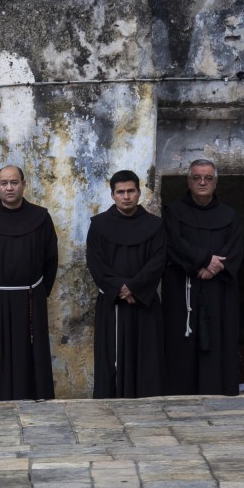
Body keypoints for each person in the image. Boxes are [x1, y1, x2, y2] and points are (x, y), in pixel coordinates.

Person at [0, 165, 58, 402]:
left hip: (31, 298)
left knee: (31, 354)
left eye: (14, 182)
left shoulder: (40, 218)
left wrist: (38, 292)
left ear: (24, 184)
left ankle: (35, 397)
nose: (9, 187)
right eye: (4, 183)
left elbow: (51, 259)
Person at [162, 158, 244, 396]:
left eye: (208, 178)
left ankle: (218, 387)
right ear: (188, 181)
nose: (202, 182)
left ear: (215, 183)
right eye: (197, 177)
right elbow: (174, 243)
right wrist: (204, 260)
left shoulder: (229, 215)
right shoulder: (174, 212)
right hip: (183, 288)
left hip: (219, 289)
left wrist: (214, 267)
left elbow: (236, 246)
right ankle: (182, 390)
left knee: (219, 336)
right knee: (183, 339)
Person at [86, 170, 167, 398]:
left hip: (145, 304)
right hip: (112, 305)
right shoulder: (99, 225)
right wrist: (120, 288)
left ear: (139, 193)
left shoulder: (155, 225)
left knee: (146, 358)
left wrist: (134, 288)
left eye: (131, 191)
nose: (126, 196)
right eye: (120, 192)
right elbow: (96, 263)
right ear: (112, 195)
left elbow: (158, 261)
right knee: (112, 358)